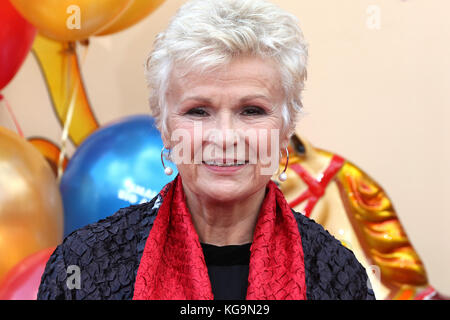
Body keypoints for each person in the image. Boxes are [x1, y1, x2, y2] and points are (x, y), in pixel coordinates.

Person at [38, 0, 375, 300]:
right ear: (165, 127)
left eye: (252, 111)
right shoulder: (85, 265)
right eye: (198, 111)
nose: (225, 137)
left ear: (285, 130)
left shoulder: (339, 277)